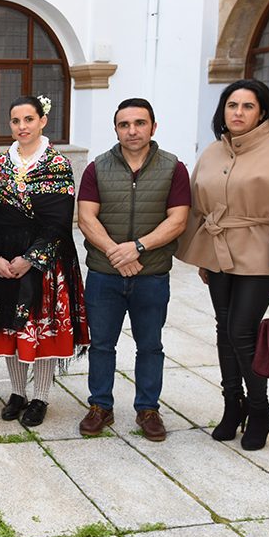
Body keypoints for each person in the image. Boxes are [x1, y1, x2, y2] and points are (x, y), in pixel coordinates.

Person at [178, 78, 269, 451]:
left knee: (242, 331)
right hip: (218, 251)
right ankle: (232, 405)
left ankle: (259, 409)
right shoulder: (212, 152)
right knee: (223, 331)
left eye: (247, 106)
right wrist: (200, 252)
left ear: (262, 112)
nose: (238, 113)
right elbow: (198, 204)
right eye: (232, 105)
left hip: (262, 254)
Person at [0, 95, 88, 427]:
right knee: (10, 328)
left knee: (39, 330)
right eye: (16, 121)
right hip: (3, 259)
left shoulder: (57, 164)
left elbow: (59, 221)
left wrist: (31, 259)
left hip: (43, 263)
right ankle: (17, 393)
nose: (22, 127)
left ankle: (40, 397)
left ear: (42, 121)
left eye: (29, 120)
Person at [76, 98, 190, 441]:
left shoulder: (173, 168)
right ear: (116, 129)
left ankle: (148, 409)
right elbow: (86, 217)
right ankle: (100, 407)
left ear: (153, 127)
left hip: (151, 274)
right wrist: (116, 253)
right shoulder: (97, 167)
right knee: (101, 345)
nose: (132, 130)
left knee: (150, 345)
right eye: (124, 125)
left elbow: (179, 220)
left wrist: (138, 247)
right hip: (104, 275)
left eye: (140, 123)